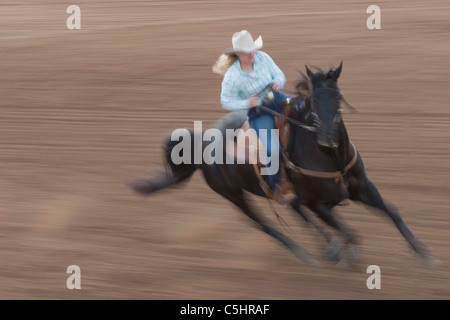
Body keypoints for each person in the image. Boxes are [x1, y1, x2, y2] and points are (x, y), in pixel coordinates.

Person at [213, 30, 295, 202]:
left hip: (278, 98)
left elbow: (279, 73)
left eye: (252, 49)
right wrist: (247, 103)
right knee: (273, 150)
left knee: (306, 109)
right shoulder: (232, 76)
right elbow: (225, 101)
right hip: (259, 112)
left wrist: (278, 83)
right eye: (246, 51)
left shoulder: (263, 57)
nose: (251, 53)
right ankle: (276, 187)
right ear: (238, 54)